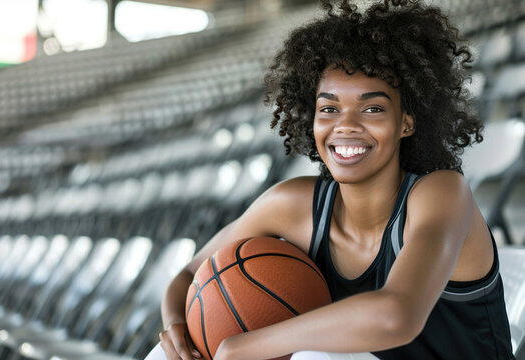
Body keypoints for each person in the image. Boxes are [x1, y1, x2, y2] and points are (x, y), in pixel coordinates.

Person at [146, 0, 515, 359]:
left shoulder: (441, 193)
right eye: (329, 108)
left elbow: (396, 316)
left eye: (372, 108)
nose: (346, 125)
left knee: (310, 354)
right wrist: (178, 328)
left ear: (407, 122)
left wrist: (243, 345)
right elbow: (192, 273)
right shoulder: (293, 205)